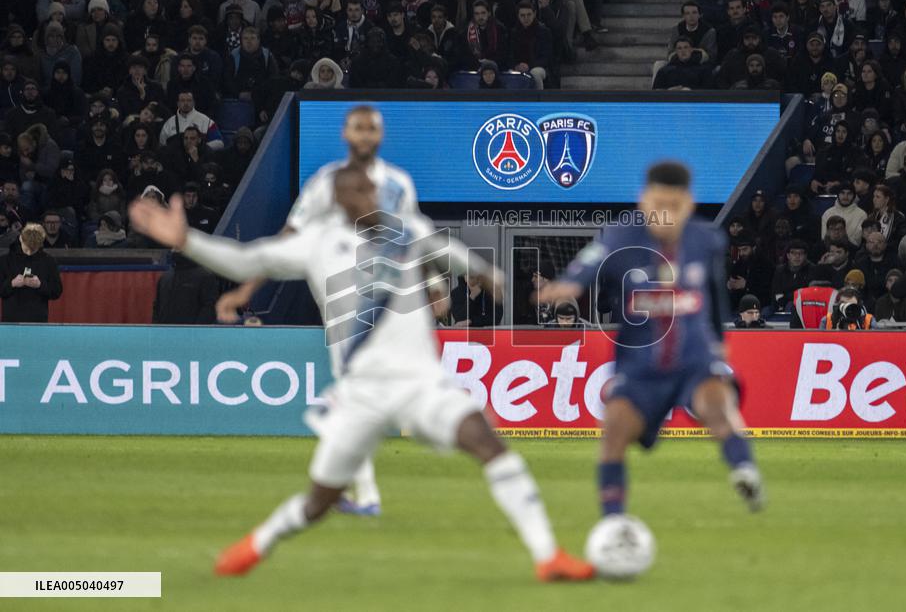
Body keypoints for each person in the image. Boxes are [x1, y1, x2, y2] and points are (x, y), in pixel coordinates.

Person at [129, 165, 593, 582]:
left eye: (369, 187)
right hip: (362, 394)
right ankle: (255, 546)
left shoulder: (406, 229)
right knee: (319, 502)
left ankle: (548, 554)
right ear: (339, 199)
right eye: (355, 188)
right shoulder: (315, 244)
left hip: (420, 383)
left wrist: (486, 274)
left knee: (487, 443)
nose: (366, 193)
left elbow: (446, 252)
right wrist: (189, 240)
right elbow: (249, 261)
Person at [218, 106, 418, 515]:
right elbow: (287, 239)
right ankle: (362, 490)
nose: (364, 136)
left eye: (371, 129)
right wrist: (247, 289)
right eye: (357, 128)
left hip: (375, 301)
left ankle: (364, 492)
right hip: (341, 302)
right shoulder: (325, 184)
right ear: (346, 133)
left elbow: (413, 240)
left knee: (352, 395)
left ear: (379, 136)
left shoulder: (398, 185)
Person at [539, 161, 764, 519]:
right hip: (640, 367)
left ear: (688, 204)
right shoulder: (619, 238)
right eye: (658, 204)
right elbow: (588, 264)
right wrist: (570, 282)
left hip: (693, 359)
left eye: (674, 206)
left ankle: (745, 471)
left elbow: (715, 293)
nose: (665, 214)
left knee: (718, 405)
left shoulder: (707, 241)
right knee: (613, 432)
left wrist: (720, 341)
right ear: (643, 201)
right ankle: (614, 523)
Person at [0, 223, 63, 322]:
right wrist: (11, 283)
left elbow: (57, 291)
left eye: (33, 249)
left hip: (38, 321)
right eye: (27, 247)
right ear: (20, 239)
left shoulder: (49, 261)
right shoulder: (4, 261)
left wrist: (40, 285)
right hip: (11, 321)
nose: (29, 252)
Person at [152, 253, 219, 324]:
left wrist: (196, 330)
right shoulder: (166, 277)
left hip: (193, 332)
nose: (174, 250)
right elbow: (157, 306)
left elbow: (210, 307)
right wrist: (156, 327)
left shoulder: (205, 276)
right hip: (164, 331)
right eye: (174, 248)